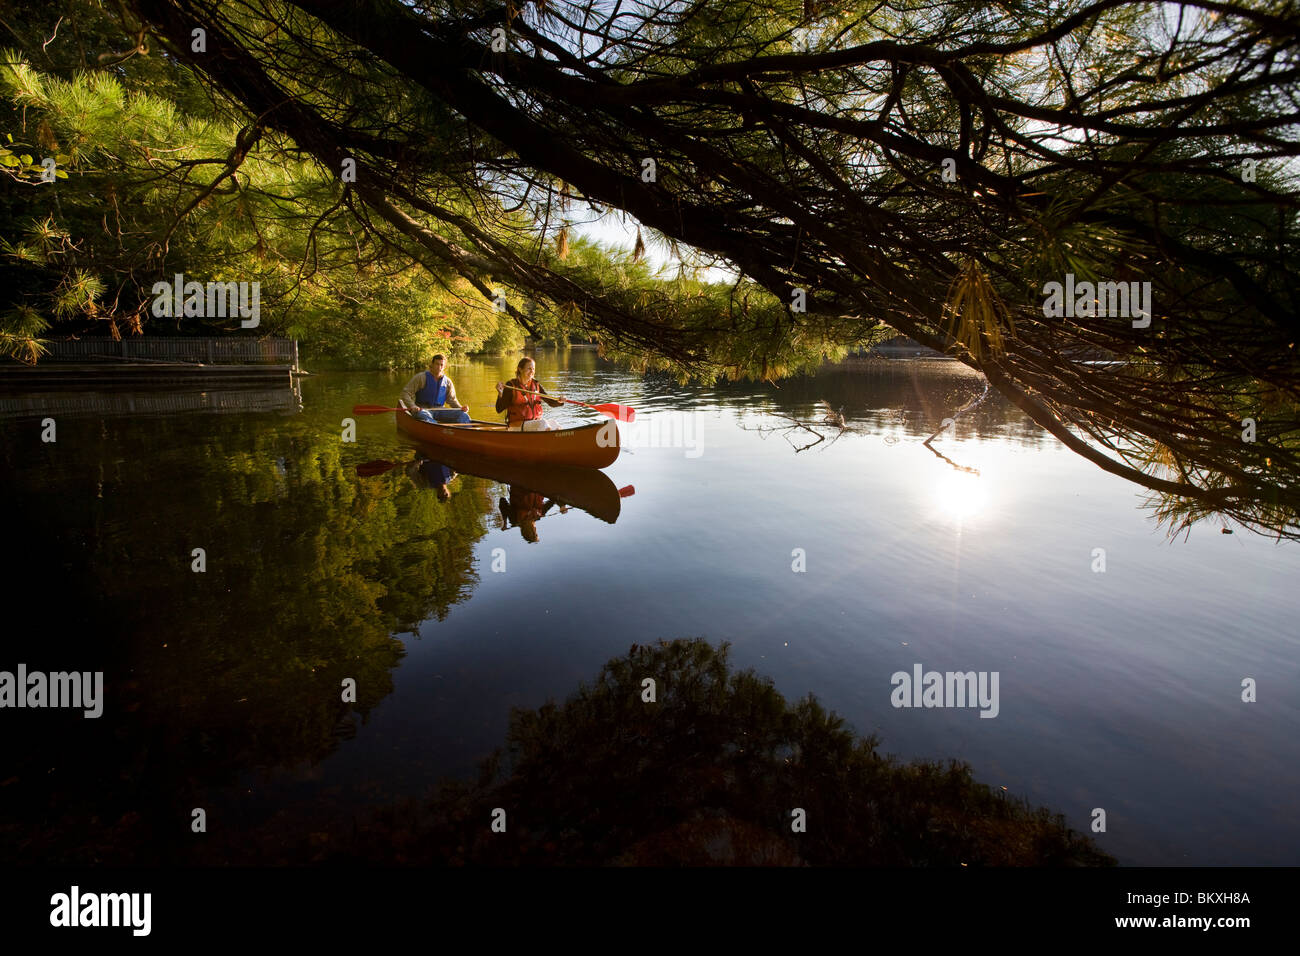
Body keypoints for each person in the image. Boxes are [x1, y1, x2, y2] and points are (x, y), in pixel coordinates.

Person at [495, 357, 564, 431]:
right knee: (542, 423)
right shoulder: (511, 385)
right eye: (529, 368)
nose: (532, 371)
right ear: (520, 369)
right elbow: (499, 409)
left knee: (555, 424)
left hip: (534, 424)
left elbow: (550, 401)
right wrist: (500, 394)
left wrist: (560, 401)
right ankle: (547, 440)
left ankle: (555, 440)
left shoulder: (536, 384)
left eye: (533, 369)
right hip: (517, 425)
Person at [401, 354, 471, 424]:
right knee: (425, 417)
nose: (439, 367)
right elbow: (405, 393)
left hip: (440, 410)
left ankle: (465, 431)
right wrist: (412, 406)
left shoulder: (447, 382)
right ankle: (436, 427)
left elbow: (452, 400)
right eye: (437, 364)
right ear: (432, 364)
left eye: (441, 365)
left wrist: (461, 408)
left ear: (444, 366)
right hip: (422, 409)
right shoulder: (421, 377)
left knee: (463, 415)